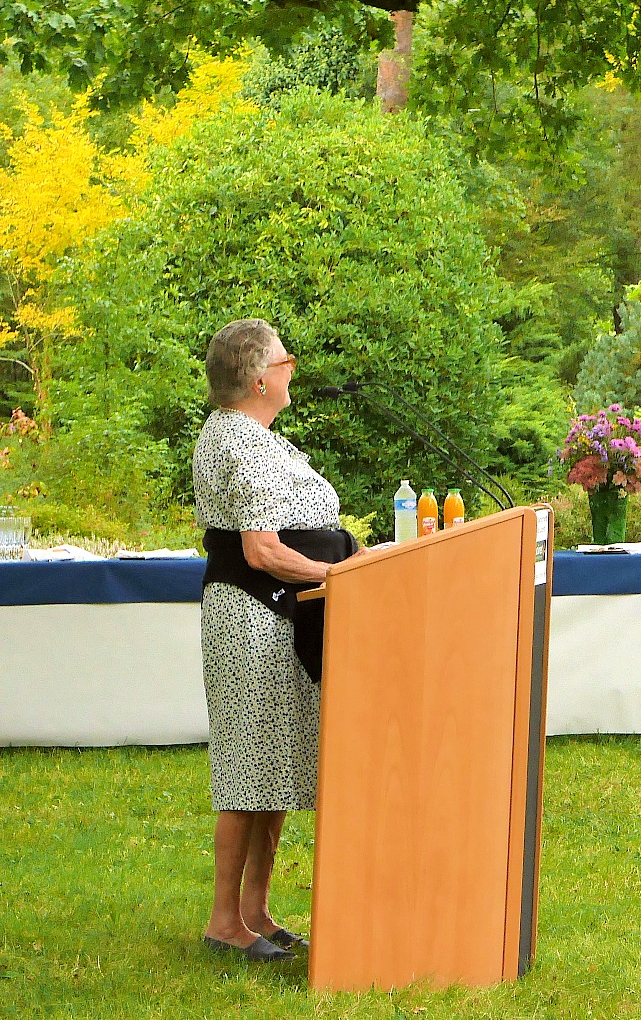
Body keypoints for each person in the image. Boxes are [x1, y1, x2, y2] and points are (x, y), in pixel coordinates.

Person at [192, 319, 359, 960]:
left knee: (275, 767)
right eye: (286, 359)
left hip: (282, 615)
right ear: (260, 377)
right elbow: (261, 551)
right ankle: (223, 922)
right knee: (248, 769)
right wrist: (341, 575)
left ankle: (255, 911)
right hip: (254, 617)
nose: (293, 368)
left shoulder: (255, 436)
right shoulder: (239, 442)